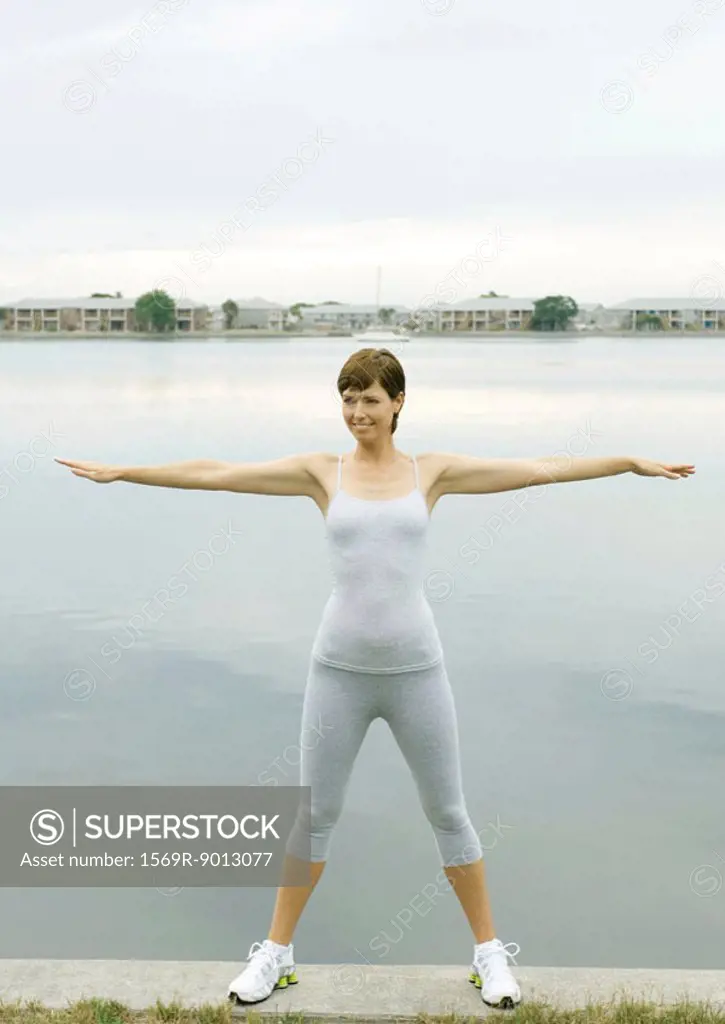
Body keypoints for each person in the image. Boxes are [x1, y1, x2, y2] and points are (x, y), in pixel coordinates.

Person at [55, 347, 695, 1010]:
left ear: (397, 404)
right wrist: (126, 471)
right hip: (337, 672)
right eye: (348, 398)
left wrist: (625, 462)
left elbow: (537, 469)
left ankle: (488, 955)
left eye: (369, 399)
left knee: (448, 813)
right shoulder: (319, 471)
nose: (357, 412)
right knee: (315, 816)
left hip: (416, 671)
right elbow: (218, 474)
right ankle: (275, 953)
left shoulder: (432, 472)